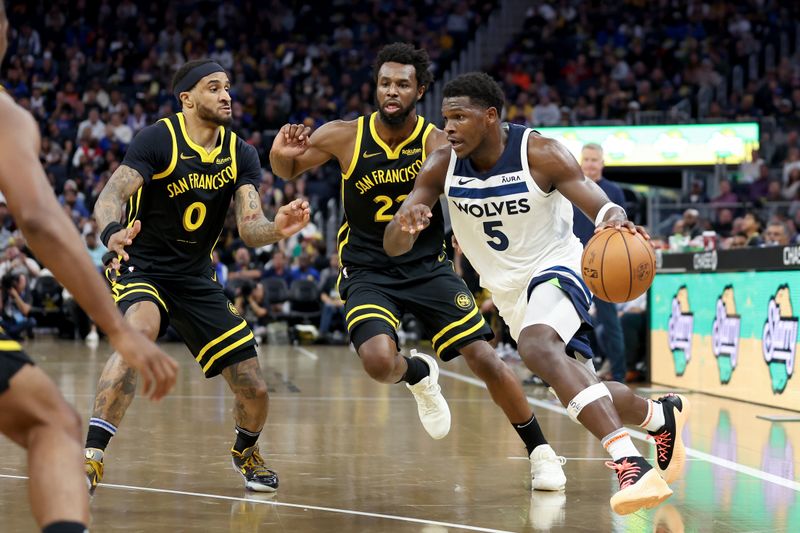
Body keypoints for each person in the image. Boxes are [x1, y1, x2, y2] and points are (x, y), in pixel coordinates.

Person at [385, 72, 690, 515]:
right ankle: (659, 416)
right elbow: (394, 246)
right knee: (579, 392)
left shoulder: (539, 152)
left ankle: (629, 463)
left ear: (490, 117)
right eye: (444, 118)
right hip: (508, 291)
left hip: (558, 267)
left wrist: (614, 219)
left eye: (458, 118)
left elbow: (600, 203)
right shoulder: (440, 163)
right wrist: (404, 225)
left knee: (536, 346)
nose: (447, 128)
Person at [270, 43, 566, 490]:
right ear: (376, 87)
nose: (392, 91)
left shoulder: (436, 142)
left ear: (419, 90)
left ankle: (541, 451)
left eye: (402, 84)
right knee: (375, 361)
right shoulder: (344, 135)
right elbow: (287, 170)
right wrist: (279, 152)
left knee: (484, 358)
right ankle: (418, 374)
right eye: (385, 83)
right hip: (368, 270)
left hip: (427, 265)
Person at [83, 59, 311, 495]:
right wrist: (112, 233)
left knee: (255, 387)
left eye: (228, 87)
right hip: (143, 265)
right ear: (186, 98)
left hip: (196, 276)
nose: (226, 95)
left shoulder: (241, 152)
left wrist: (278, 228)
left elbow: (249, 226)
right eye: (213, 88)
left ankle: (246, 452)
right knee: (140, 333)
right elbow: (110, 194)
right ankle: (91, 458)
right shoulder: (158, 138)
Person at [0, 3, 178, 531]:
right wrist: (121, 331)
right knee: (53, 423)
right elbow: (39, 220)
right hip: (150, 273)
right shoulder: (6, 115)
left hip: (183, 276)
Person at [572, 143, 626, 382]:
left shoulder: (614, 191)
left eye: (595, 160)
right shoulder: (571, 189)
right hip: (573, 261)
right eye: (586, 159)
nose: (590, 164)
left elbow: (623, 230)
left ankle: (620, 373)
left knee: (610, 321)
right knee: (569, 321)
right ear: (580, 162)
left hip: (603, 265)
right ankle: (573, 375)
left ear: (602, 163)